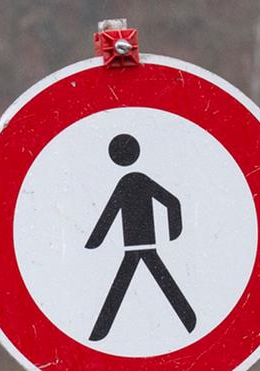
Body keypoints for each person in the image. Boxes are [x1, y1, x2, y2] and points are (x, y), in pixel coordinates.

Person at [81, 132, 196, 340]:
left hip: (136, 245)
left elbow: (110, 213)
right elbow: (172, 202)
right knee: (153, 279)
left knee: (126, 283)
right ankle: (189, 320)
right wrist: (173, 230)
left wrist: (95, 241)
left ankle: (100, 331)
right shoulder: (138, 180)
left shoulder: (130, 181)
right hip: (141, 245)